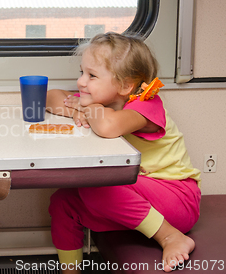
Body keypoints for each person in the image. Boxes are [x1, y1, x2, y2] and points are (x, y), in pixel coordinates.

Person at [46, 32, 201, 274]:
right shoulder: (103, 102)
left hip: (176, 198)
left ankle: (170, 236)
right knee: (63, 202)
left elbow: (109, 126)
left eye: (92, 76)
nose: (80, 82)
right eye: (81, 73)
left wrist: (89, 109)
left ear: (126, 85)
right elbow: (52, 97)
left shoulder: (145, 107)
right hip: (136, 197)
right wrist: (78, 109)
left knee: (95, 184)